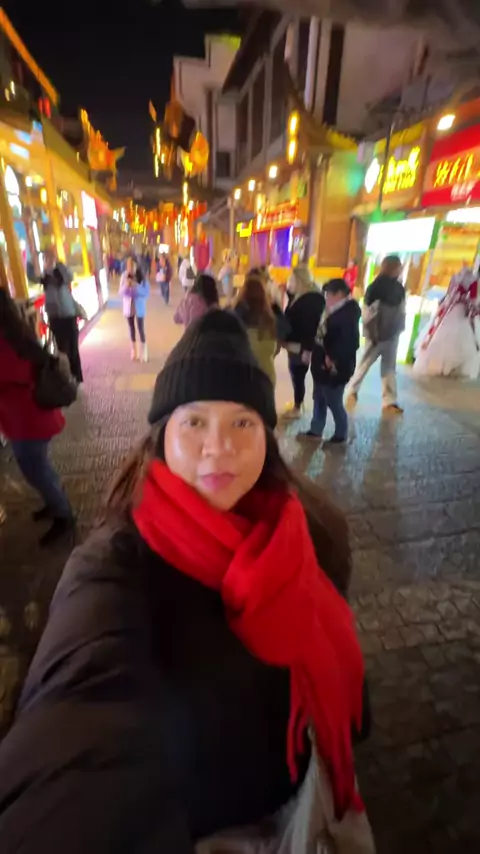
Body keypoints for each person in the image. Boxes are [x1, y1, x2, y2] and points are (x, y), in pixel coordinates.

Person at [0, 309, 373, 853]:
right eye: (194, 422)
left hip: (304, 803)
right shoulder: (114, 565)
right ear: (160, 437)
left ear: (267, 437)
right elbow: (77, 717)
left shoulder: (314, 530)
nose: (218, 446)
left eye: (242, 423)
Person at [0, 288, 74, 546]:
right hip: (27, 417)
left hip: (28, 420)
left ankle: (63, 513)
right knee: (38, 467)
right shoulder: (16, 332)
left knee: (36, 470)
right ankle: (53, 502)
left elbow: (16, 373)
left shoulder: (8, 340)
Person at [301, 279, 361, 444]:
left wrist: (333, 358)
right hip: (321, 365)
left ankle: (341, 433)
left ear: (339, 294)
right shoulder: (331, 310)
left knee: (333, 401)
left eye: (328, 294)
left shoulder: (347, 315)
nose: (326, 298)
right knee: (319, 398)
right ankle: (316, 429)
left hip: (335, 367)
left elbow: (350, 343)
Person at [345, 254, 405, 414]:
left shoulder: (378, 286)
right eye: (398, 267)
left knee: (372, 365)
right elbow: (398, 310)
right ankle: (383, 399)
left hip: (382, 334)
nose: (400, 270)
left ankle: (356, 392)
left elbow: (367, 312)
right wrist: (377, 332)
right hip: (385, 334)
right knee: (381, 366)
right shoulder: (391, 288)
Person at [413, 265, 480, 378]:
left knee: (441, 332)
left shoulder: (455, 276)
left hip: (450, 307)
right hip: (461, 309)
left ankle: (439, 365)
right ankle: (451, 368)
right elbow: (473, 298)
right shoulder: (473, 280)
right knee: (462, 337)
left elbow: (449, 292)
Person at [282, 265, 325, 419]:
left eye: (292, 279)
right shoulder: (306, 295)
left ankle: (298, 406)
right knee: (298, 374)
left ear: (299, 280)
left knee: (298, 374)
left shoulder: (309, 300)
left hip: (300, 345)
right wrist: (288, 293)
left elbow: (310, 327)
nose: (289, 281)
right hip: (299, 344)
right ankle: (300, 403)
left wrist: (307, 350)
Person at [234, 273, 287, 385]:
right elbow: (277, 347)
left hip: (244, 376)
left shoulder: (237, 316)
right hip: (267, 375)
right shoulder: (271, 319)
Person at [41, 247, 83, 384]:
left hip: (68, 314)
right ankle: (68, 379)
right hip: (55, 318)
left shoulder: (61, 270)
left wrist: (56, 265)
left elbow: (69, 277)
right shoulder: (45, 276)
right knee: (63, 350)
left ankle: (77, 379)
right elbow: (34, 275)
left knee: (73, 349)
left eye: (51, 257)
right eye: (46, 258)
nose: (49, 260)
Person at [119, 257, 150, 362]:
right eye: (128, 266)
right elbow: (120, 292)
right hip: (129, 306)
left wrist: (136, 286)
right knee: (131, 328)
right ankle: (133, 350)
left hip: (139, 306)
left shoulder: (141, 276)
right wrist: (126, 286)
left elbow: (146, 292)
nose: (130, 268)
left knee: (141, 328)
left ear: (136, 266)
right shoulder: (124, 276)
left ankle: (144, 351)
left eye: (132, 265)